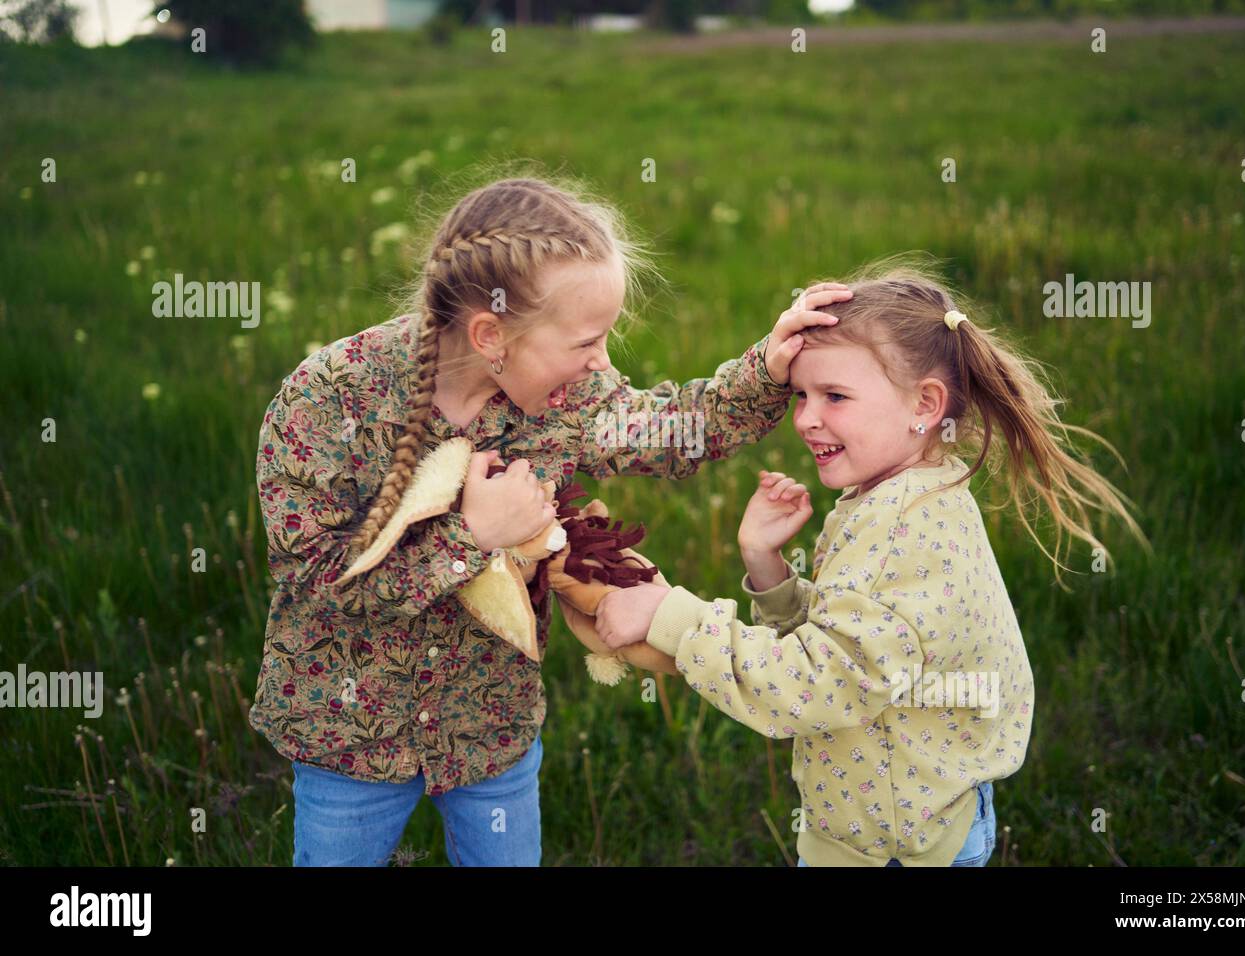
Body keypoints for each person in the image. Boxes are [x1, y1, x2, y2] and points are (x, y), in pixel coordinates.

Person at [247, 175, 849, 865]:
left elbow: (669, 431)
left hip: (491, 727)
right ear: (490, 334)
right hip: (346, 735)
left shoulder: (572, 396)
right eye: (586, 341)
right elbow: (316, 584)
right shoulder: (328, 400)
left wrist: (767, 369)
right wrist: (472, 538)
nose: (601, 361)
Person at [595, 254, 1151, 866]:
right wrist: (768, 568)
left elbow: (808, 685)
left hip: (889, 847)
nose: (806, 418)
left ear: (924, 405)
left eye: (834, 396)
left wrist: (669, 616)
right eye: (802, 394)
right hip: (914, 814)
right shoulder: (911, 494)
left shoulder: (898, 530)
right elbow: (857, 641)